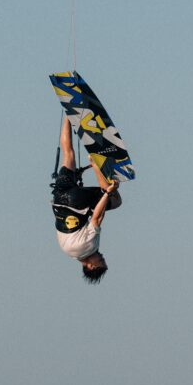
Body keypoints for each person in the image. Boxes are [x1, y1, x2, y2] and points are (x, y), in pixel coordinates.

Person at [50, 118, 122, 283]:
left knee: (115, 200)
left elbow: (97, 217)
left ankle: (95, 163)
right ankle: (69, 115)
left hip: (76, 202)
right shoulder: (70, 253)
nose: (103, 257)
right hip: (59, 197)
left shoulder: (89, 248)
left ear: (91, 266)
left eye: (101, 261)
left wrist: (107, 193)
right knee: (69, 153)